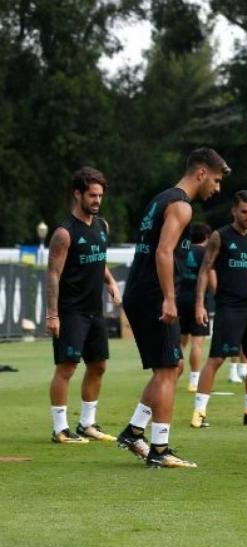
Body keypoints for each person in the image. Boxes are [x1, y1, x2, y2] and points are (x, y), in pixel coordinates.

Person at [116, 147, 229, 468]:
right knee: (167, 370)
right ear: (201, 173)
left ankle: (134, 430)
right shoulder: (181, 206)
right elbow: (163, 253)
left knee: (173, 367)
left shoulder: (162, 199)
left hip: (141, 292)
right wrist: (168, 298)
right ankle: (160, 449)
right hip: (152, 294)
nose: (217, 189)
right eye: (217, 181)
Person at [45, 167, 122, 444]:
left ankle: (87, 424)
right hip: (71, 311)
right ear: (78, 194)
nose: (97, 200)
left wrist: (111, 282)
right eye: (92, 195)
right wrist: (52, 314)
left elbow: (98, 261)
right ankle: (60, 429)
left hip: (95, 311)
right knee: (66, 368)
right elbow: (53, 273)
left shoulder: (102, 227)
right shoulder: (64, 233)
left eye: (100, 195)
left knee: (99, 365)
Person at [191, 190, 247, 428]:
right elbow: (205, 270)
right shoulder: (220, 236)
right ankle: (199, 413)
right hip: (230, 306)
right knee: (217, 358)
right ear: (234, 211)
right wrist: (199, 304)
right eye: (244, 212)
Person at [178, 224, 212, 392]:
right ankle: (194, 381)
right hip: (198, 302)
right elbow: (211, 280)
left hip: (179, 300)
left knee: (180, 342)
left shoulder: (181, 250)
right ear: (207, 236)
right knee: (197, 343)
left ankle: (172, 374)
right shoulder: (206, 253)